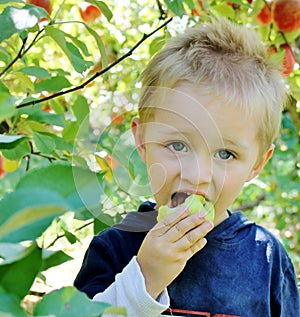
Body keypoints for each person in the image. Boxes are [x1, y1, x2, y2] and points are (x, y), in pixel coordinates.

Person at [74, 18, 300, 316]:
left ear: (257, 164)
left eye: (225, 154)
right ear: (142, 142)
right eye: (177, 146)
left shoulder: (266, 259)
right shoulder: (115, 248)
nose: (197, 175)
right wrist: (145, 279)